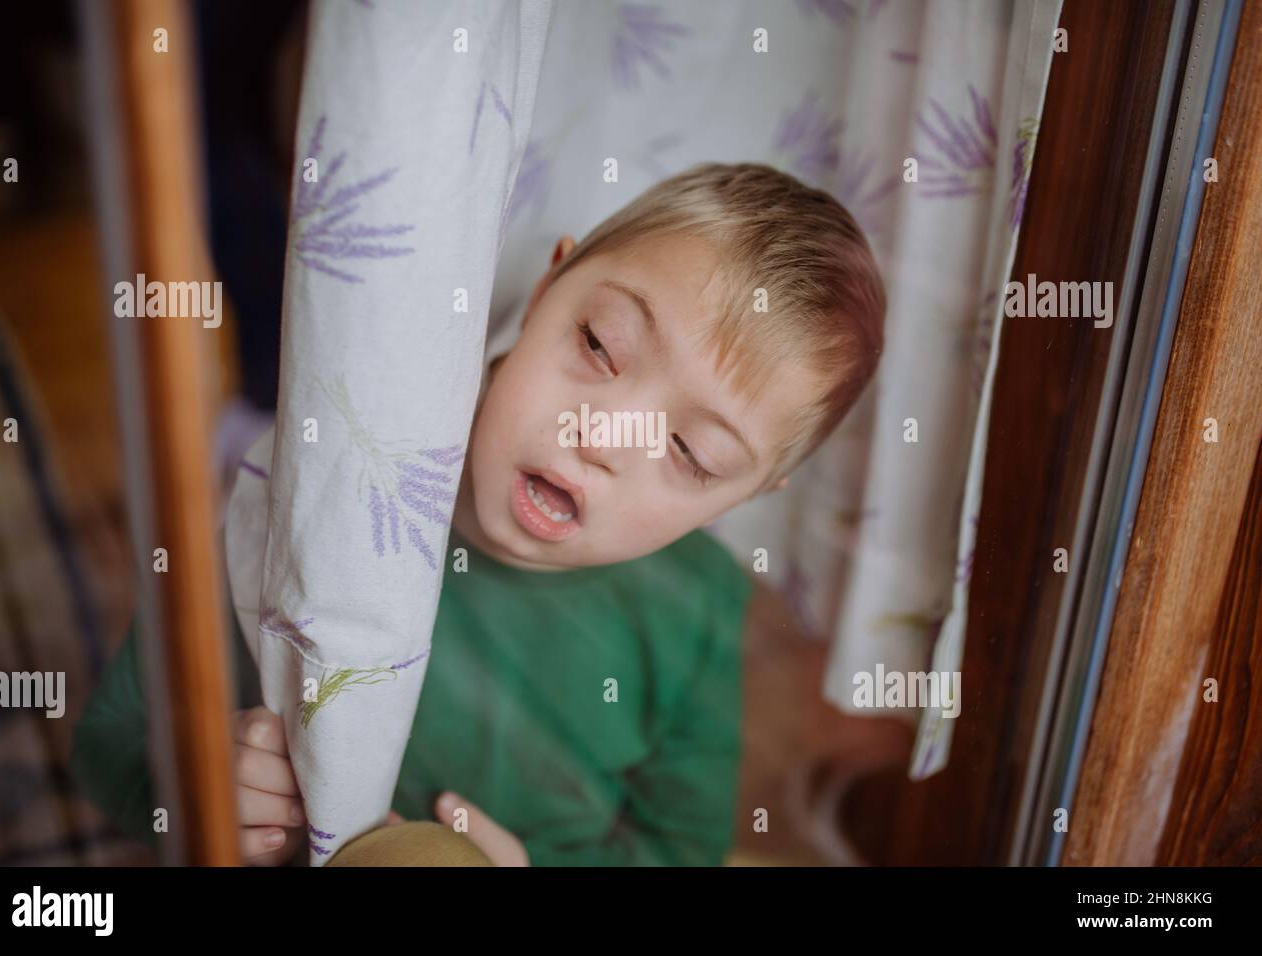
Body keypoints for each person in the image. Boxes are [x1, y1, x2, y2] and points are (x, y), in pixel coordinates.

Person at [71, 162, 886, 866]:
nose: (599, 436)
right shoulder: (332, 486)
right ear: (543, 292)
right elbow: (112, 747)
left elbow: (680, 848)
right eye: (599, 346)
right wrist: (203, 789)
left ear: (744, 496)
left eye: (692, 454)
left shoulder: (700, 607)